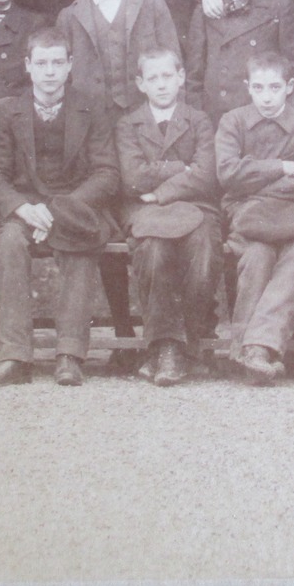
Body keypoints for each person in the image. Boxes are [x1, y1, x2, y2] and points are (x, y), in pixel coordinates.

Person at [0, 28, 121, 388]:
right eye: (41, 63)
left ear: (70, 65)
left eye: (58, 62)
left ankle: (70, 356)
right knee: (8, 244)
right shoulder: (8, 112)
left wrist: (60, 210)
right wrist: (22, 208)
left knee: (82, 245)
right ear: (28, 66)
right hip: (26, 207)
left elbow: (107, 173)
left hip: (75, 205)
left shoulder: (91, 106)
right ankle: (14, 356)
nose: (50, 71)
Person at [215, 51, 294, 385]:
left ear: (289, 87)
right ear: (248, 87)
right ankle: (257, 349)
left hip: (291, 217)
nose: (266, 96)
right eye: (259, 87)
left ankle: (252, 350)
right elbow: (227, 174)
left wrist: (257, 184)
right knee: (258, 254)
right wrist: (281, 166)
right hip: (250, 218)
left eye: (274, 87)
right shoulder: (233, 121)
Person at [113, 48, 221, 386]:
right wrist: (180, 168)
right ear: (140, 84)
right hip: (144, 209)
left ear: (181, 78)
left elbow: (205, 174)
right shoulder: (128, 124)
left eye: (167, 77)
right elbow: (131, 177)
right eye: (153, 78)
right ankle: (168, 347)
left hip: (194, 206)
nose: (161, 85)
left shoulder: (199, 120)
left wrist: (162, 190)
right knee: (154, 251)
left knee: (203, 250)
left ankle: (181, 343)